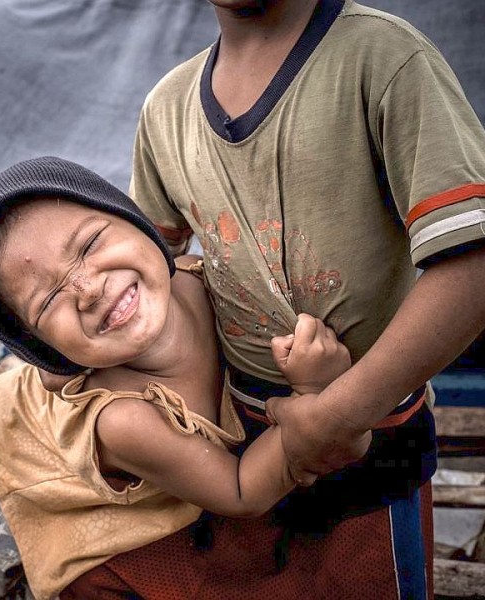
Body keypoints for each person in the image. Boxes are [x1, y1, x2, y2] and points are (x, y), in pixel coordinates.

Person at [123, 0, 485, 597]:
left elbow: (469, 263)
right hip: (237, 440)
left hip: (374, 434)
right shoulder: (168, 106)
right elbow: (150, 270)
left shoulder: (383, 58)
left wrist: (337, 415)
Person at [0, 156, 352, 600]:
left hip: (36, 373)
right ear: (47, 347)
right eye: (47, 301)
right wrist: (315, 396)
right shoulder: (125, 420)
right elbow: (241, 492)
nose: (87, 289)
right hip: (22, 439)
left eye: (88, 246)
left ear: (139, 224)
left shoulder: (205, 280)